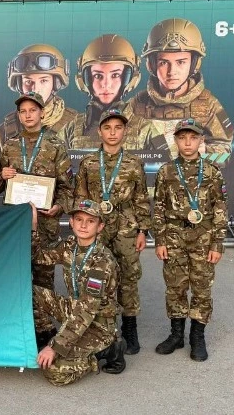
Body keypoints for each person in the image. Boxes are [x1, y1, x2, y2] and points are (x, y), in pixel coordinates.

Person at [73, 109, 151, 355]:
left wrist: (142, 231)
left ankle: (130, 328)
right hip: (96, 227)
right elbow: (81, 198)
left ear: (125, 131)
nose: (113, 133)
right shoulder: (88, 163)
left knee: (128, 276)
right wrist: (83, 229)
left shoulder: (134, 163)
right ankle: (97, 327)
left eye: (118, 128)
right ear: (100, 132)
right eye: (108, 128)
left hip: (126, 227)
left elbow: (140, 198)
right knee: (94, 276)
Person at [0, 91, 74, 347]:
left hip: (45, 225)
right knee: (16, 277)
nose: (28, 115)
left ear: (42, 112)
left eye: (32, 110)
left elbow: (67, 187)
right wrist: (1, 175)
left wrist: (58, 207)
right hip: (15, 226)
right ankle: (17, 327)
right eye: (23, 111)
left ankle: (43, 330)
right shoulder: (9, 145)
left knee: (43, 278)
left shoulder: (56, 144)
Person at [153, 118, 228, 362]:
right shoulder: (166, 171)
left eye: (193, 138)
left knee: (201, 287)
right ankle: (176, 335)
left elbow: (220, 208)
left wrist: (217, 243)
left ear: (201, 140)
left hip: (203, 238)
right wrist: (160, 240)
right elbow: (159, 208)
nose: (188, 143)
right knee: (175, 286)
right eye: (183, 138)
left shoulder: (212, 172)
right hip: (174, 236)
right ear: (175, 140)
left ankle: (197, 336)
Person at [31, 200, 126, 386]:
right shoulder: (70, 245)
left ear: (100, 227)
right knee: (31, 294)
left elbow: (86, 311)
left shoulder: (102, 261)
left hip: (97, 325)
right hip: (75, 310)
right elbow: (39, 256)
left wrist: (55, 347)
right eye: (79, 219)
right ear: (71, 222)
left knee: (55, 371)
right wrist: (33, 227)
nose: (83, 225)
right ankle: (49, 335)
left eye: (90, 221)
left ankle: (109, 350)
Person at [123, 18, 234, 164]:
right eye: (164, 62)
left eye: (181, 62)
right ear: (152, 64)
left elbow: (225, 154)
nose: (172, 72)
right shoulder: (136, 104)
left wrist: (204, 153)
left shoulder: (209, 104)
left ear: (194, 64)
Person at [59, 34, 151, 151]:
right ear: (86, 79)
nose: (106, 84)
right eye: (98, 76)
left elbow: (164, 161)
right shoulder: (71, 129)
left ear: (128, 78)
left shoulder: (146, 129)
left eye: (115, 75)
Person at [0, 44, 82, 155]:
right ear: (19, 85)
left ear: (56, 83)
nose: (35, 89)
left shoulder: (76, 126)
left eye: (43, 81)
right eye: (28, 81)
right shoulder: (4, 132)